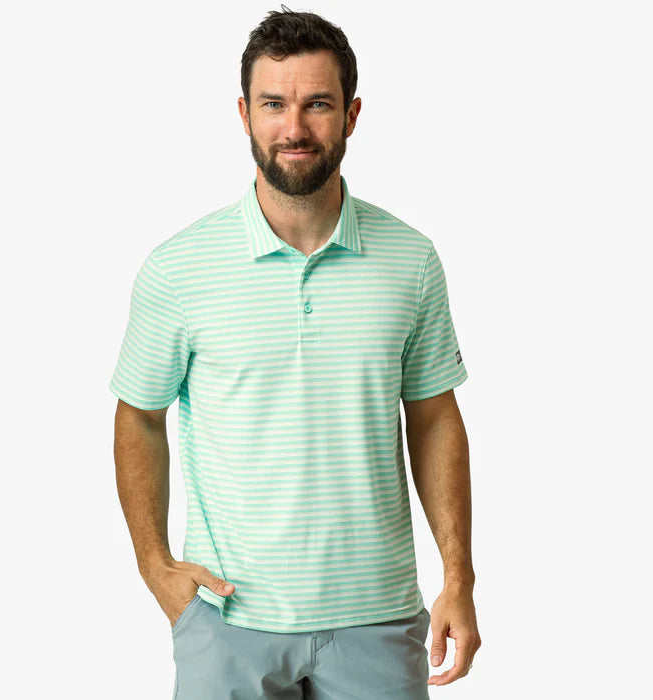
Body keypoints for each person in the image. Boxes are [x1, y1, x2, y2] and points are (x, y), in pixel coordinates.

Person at [110, 5, 481, 698]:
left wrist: (458, 578)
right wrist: (154, 566)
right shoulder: (178, 269)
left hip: (379, 617)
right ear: (244, 113)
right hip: (227, 617)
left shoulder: (411, 260)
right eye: (274, 104)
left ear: (352, 114)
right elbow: (139, 416)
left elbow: (435, 418)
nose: (295, 128)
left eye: (318, 104)